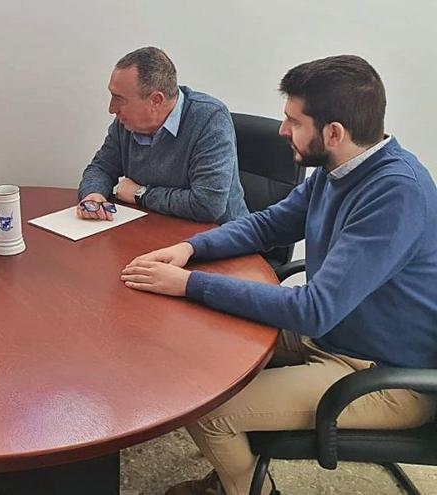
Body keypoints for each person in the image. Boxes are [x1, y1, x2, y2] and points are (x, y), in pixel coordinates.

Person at [120, 55, 437, 495]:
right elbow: (267, 225)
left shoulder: (396, 193)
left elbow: (313, 310)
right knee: (191, 360)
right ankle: (237, 467)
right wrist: (188, 249)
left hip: (380, 374)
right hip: (336, 336)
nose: (282, 131)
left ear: (333, 132)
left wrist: (190, 283)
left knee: (209, 409)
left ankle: (248, 488)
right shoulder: (338, 169)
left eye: (293, 120)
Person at [77, 47, 247, 224]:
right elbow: (101, 168)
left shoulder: (209, 119)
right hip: (152, 230)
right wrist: (93, 195)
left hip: (218, 239)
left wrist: (140, 194)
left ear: (156, 101)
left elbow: (208, 204)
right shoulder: (126, 122)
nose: (111, 109)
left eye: (119, 99)